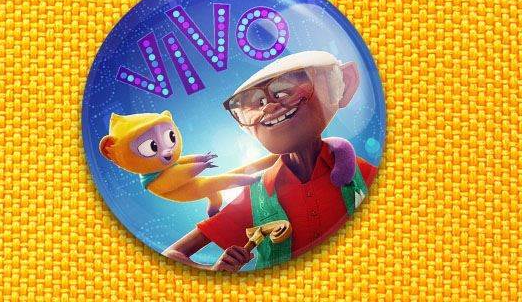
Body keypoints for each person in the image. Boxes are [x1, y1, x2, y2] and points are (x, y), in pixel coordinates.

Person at [162, 50, 377, 271]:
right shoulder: (257, 196)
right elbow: (172, 254)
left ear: (344, 84)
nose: (268, 107)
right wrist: (213, 270)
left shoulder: (359, 175)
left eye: (283, 93)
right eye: (257, 104)